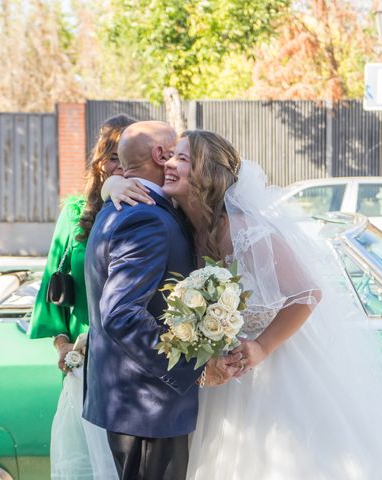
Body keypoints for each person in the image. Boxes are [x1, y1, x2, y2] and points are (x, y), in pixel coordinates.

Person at [158, 130, 382, 479]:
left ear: (207, 172)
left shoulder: (245, 229)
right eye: (169, 156)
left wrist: (260, 347)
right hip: (228, 380)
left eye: (182, 158)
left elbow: (308, 293)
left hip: (278, 372)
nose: (169, 163)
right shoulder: (188, 228)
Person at [83, 121, 239, 480]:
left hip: (136, 405)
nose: (175, 161)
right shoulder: (146, 218)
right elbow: (121, 314)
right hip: (149, 407)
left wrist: (111, 184)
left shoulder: (126, 205)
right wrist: (195, 369)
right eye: (176, 151)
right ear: (159, 154)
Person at [29, 114, 154, 480]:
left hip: (136, 365)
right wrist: (62, 345)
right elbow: (53, 290)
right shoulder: (73, 213)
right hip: (85, 361)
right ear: (100, 162)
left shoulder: (149, 207)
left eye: (126, 157)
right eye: (112, 157)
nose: (120, 166)